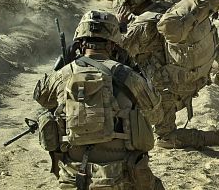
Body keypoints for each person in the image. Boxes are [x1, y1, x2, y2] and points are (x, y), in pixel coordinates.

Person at [33, 10, 164, 190]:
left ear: (79, 42)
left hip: (73, 177)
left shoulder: (64, 74)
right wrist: (133, 67)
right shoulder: (127, 75)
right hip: (120, 176)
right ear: (113, 44)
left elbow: (41, 97)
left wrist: (63, 63)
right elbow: (157, 116)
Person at [115, 0, 219, 155]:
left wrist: (120, 26)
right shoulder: (169, 9)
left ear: (128, 3)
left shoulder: (142, 25)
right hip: (192, 79)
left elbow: (117, 52)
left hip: (169, 89)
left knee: (165, 138)